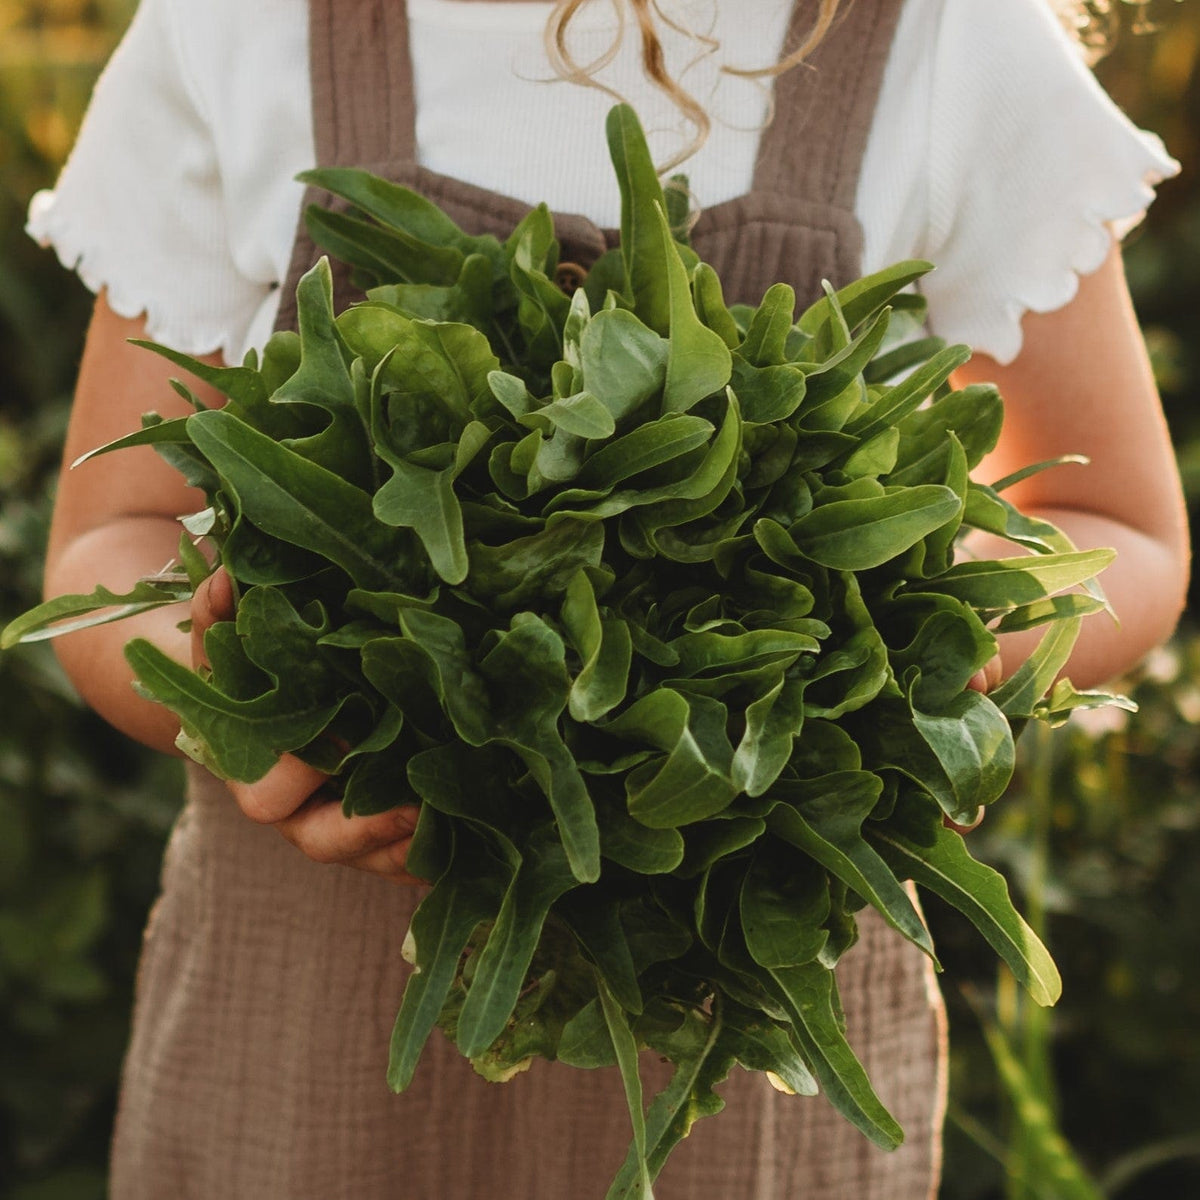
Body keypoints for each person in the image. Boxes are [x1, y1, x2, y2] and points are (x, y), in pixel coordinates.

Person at [24, 0, 1189, 1196]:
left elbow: (1126, 533)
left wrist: (937, 661)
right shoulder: (237, 27)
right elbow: (114, 535)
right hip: (299, 1013)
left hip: (743, 1056)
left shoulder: (948, 37)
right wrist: (244, 703)